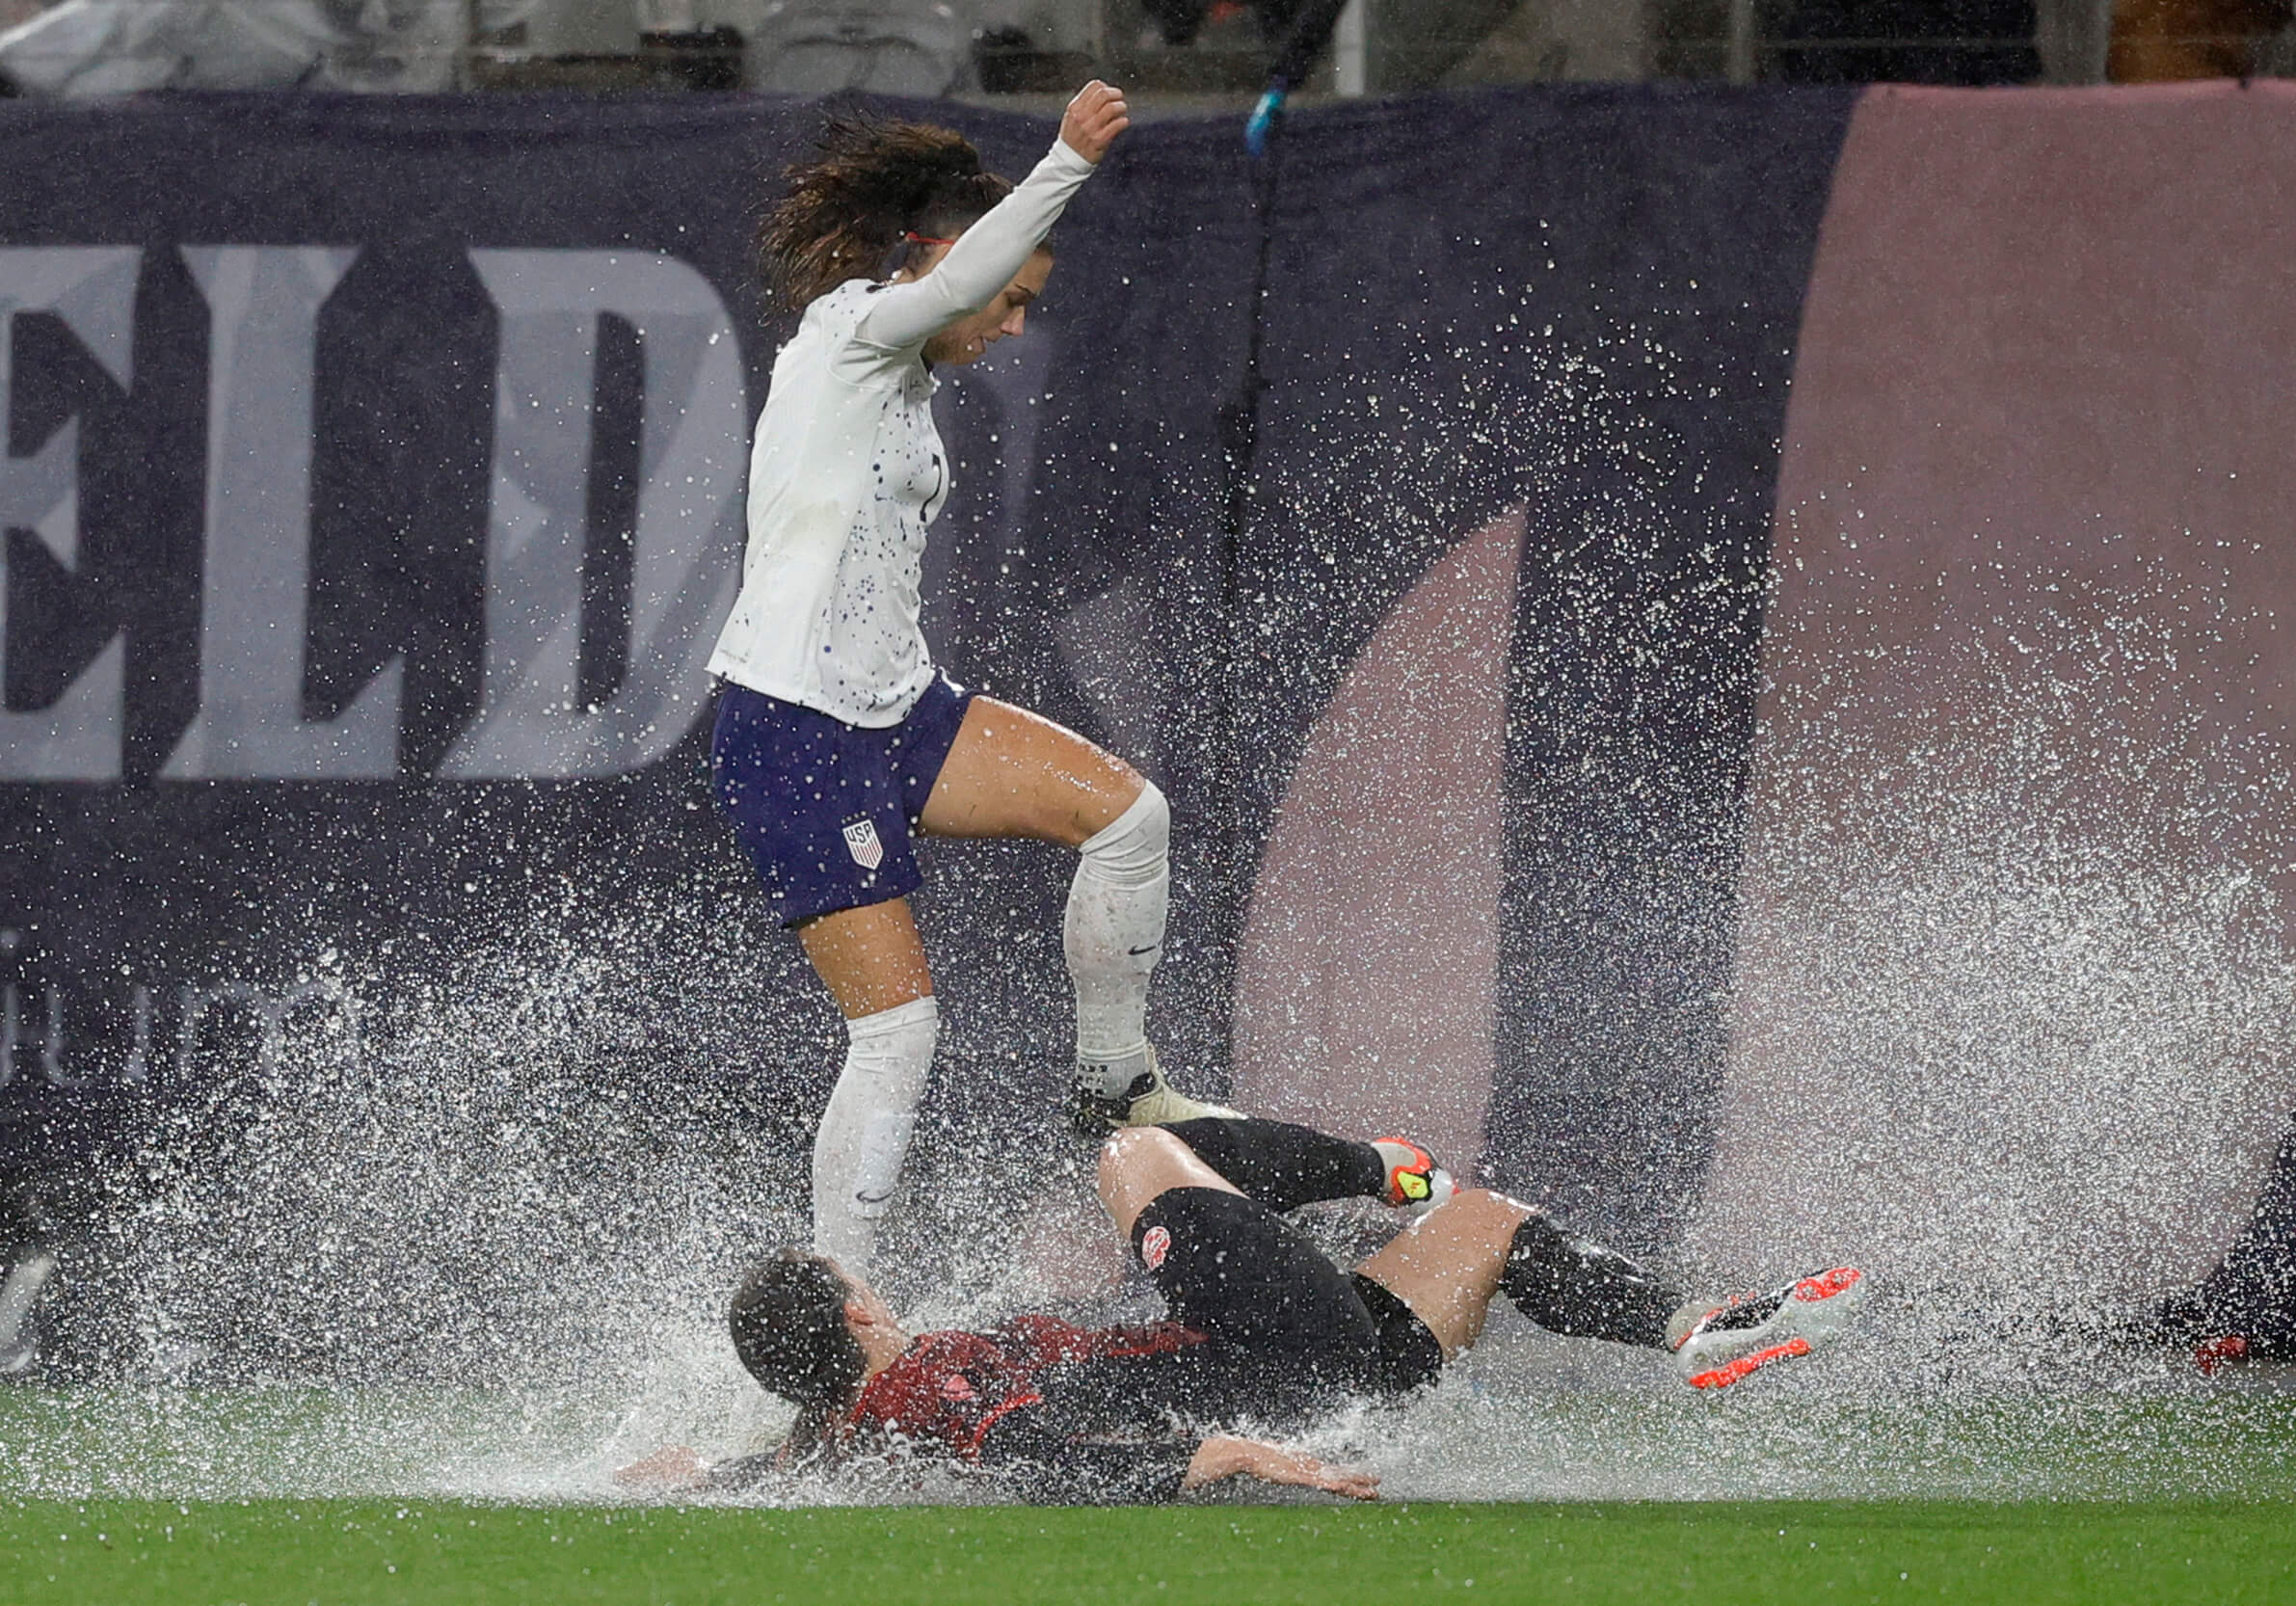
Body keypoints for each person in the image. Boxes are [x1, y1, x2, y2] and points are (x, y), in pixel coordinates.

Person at [707, 81, 1233, 1275]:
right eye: (1009, 298)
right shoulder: (854, 330)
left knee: (1129, 817)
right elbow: (947, 291)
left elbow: (957, 295)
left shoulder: (902, 377)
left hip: (898, 710)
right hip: (796, 726)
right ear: (942, 259)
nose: (1006, 325)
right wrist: (1065, 164)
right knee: (897, 1031)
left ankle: (1116, 1082)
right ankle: (845, 1310)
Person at [622, 1122, 1865, 1503]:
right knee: (1131, 1148)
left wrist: (683, 1476)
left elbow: (763, 1465)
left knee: (1485, 1227)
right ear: (854, 1317)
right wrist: (1214, 1457)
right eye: (856, 1284)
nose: (875, 1288)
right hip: (1254, 1373)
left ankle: (1687, 1328)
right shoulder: (917, 1381)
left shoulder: (843, 1427)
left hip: (1319, 1377)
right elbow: (1036, 1459)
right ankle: (1377, 1164)